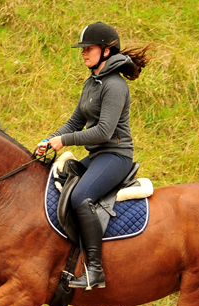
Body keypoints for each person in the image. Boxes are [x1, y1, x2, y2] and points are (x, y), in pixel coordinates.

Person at [36, 22, 150, 290]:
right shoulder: (92, 82)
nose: (84, 53)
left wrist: (64, 141)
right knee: (62, 182)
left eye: (89, 48)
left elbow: (102, 132)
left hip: (115, 157)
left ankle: (95, 271)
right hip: (98, 157)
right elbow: (75, 121)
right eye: (83, 49)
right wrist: (48, 139)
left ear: (107, 50)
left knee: (80, 196)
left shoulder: (114, 86)